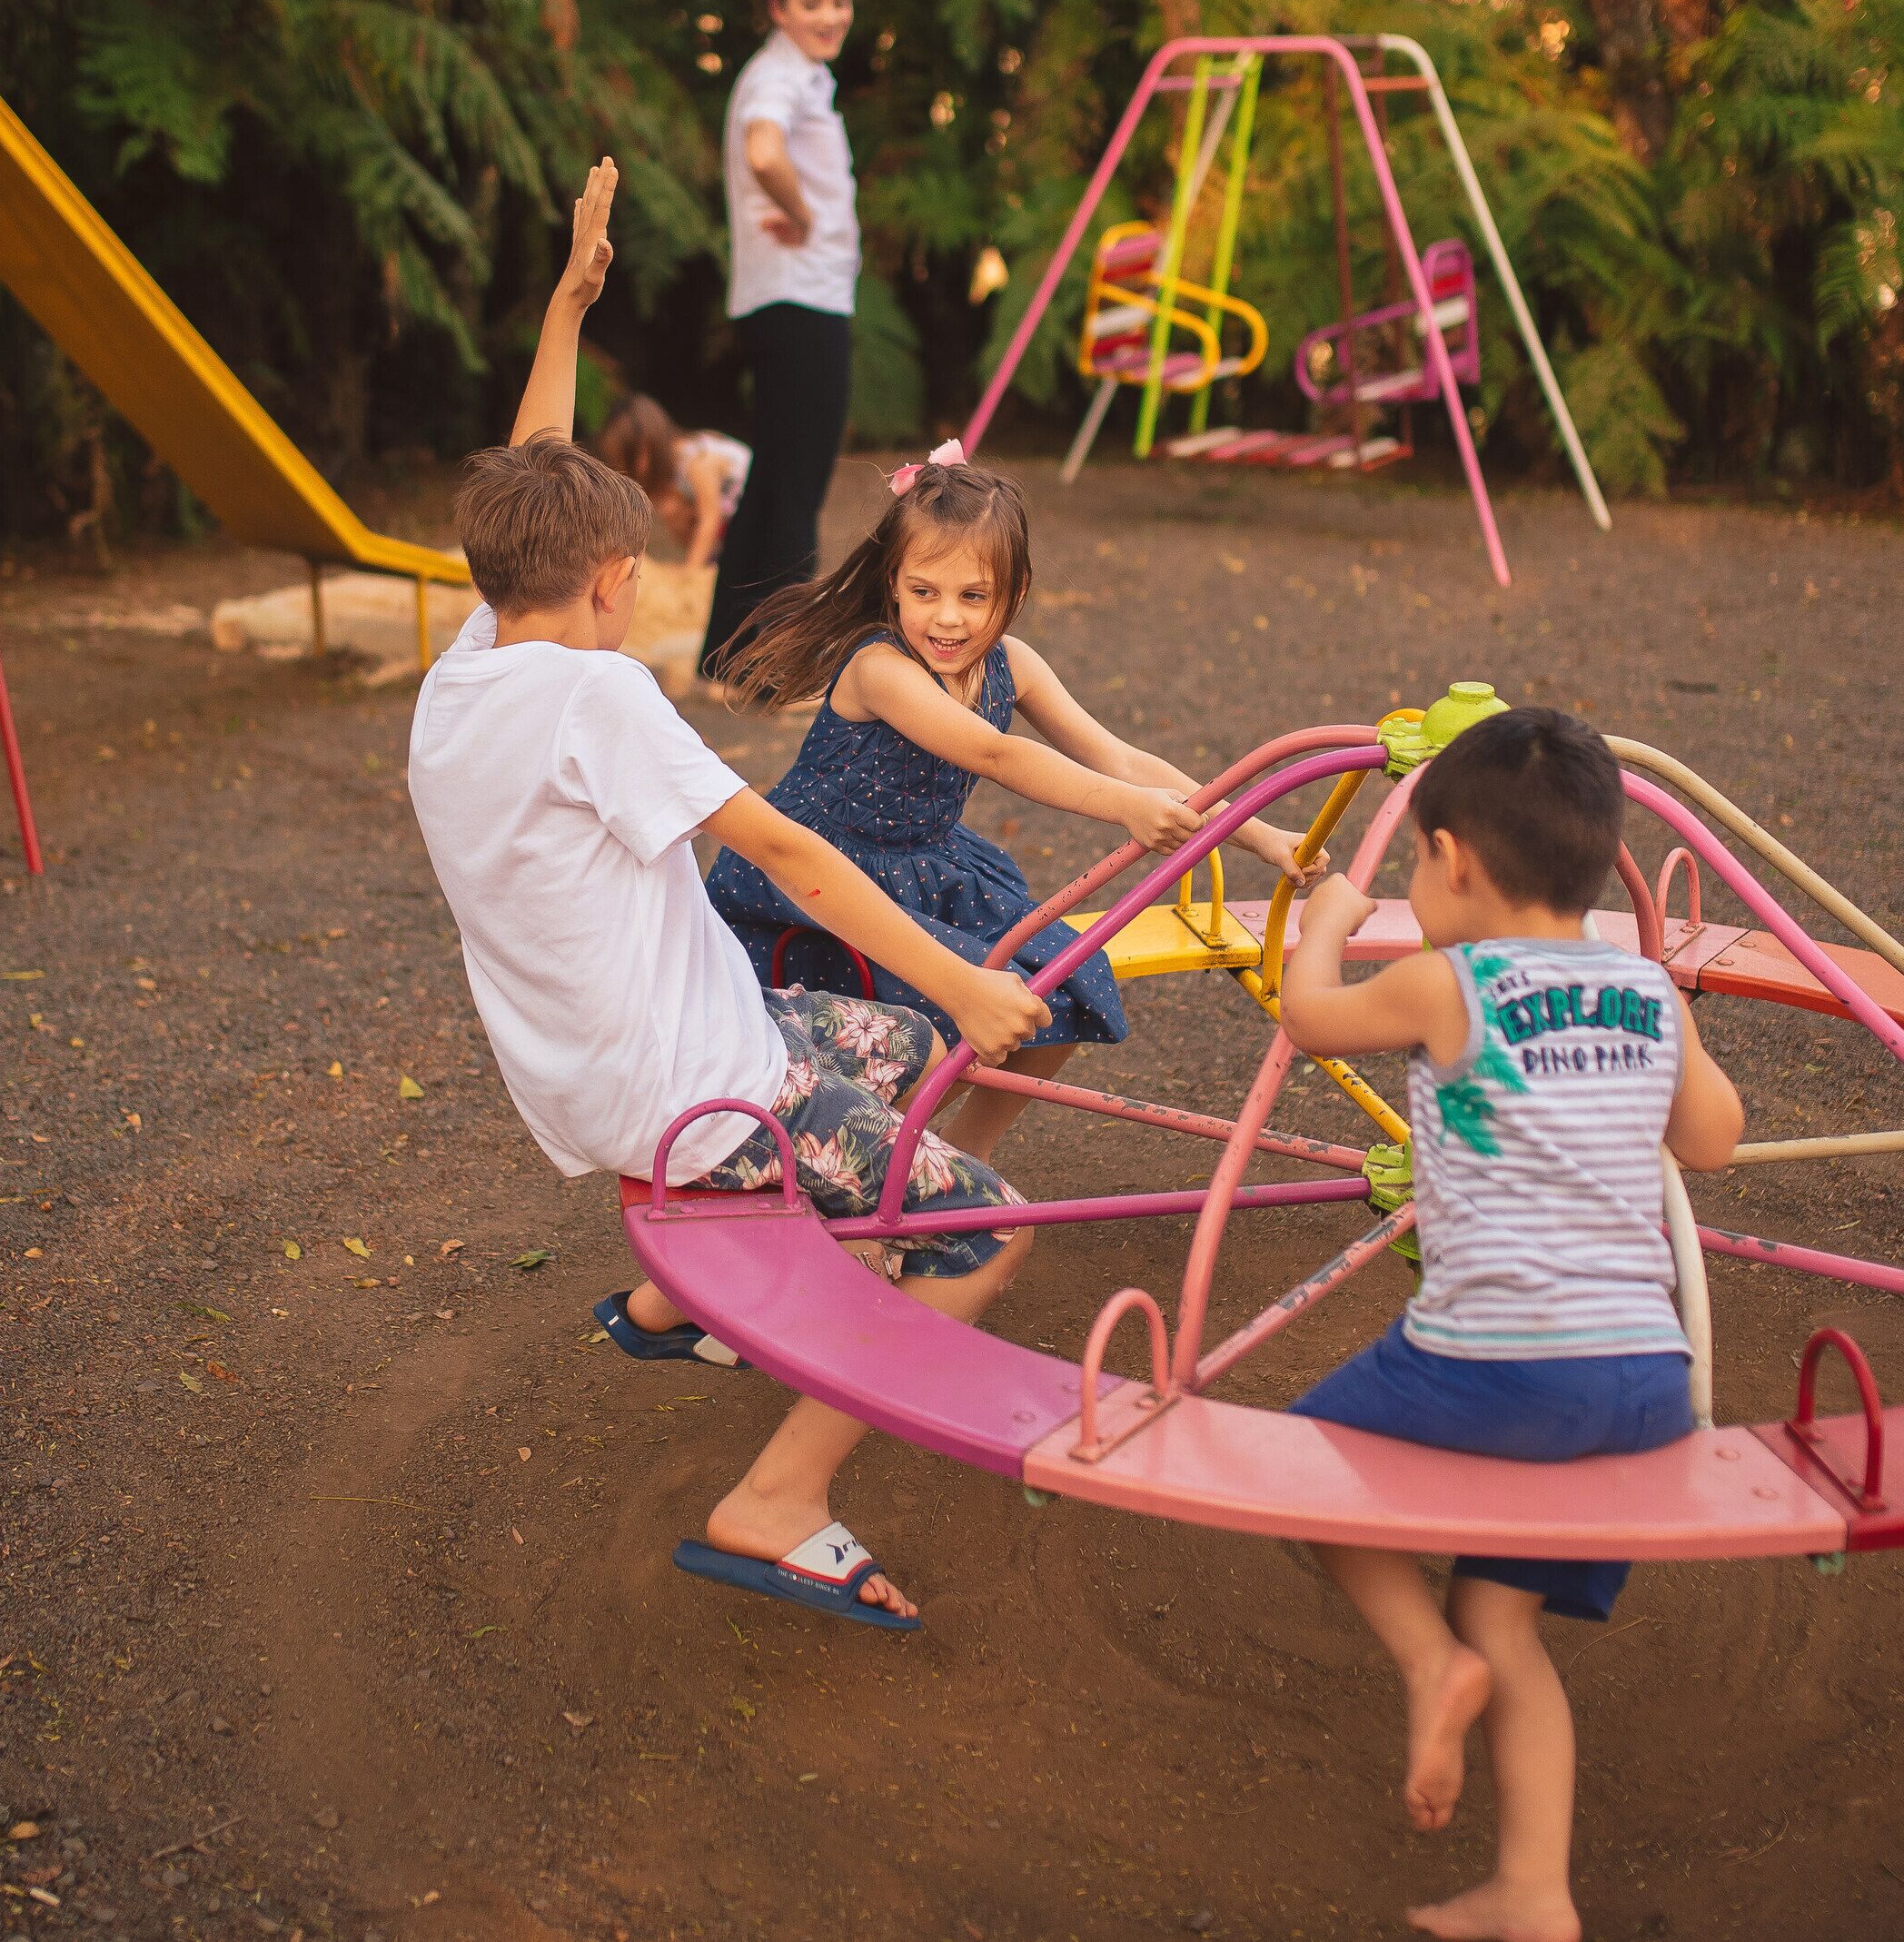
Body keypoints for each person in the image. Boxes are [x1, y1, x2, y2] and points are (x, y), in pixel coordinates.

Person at [407, 156, 1051, 1633]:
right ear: (617, 579)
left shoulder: (472, 669)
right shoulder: (597, 695)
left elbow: (532, 467)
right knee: (998, 1225)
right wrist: (960, 972)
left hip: (640, 1060)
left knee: (910, 1061)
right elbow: (798, 857)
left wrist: (571, 307)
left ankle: (733, 1284)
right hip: (706, 1083)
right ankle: (781, 1497)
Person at [1275, 707, 1744, 1942]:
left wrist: (1325, 926)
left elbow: (1308, 1020)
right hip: (1644, 1375)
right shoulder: (1645, 988)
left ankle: (1429, 1662)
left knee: (1295, 1472)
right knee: (1507, 1617)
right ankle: (1534, 1889)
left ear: (1454, 860)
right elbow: (1714, 1137)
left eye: (1421, 866)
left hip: (1496, 1358)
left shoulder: (1448, 978)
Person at [703, 450, 1320, 1163]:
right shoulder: (880, 669)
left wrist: (1257, 832)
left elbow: (1119, 757)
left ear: (1014, 591)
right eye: (924, 591)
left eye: (973, 596)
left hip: (927, 869)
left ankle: (959, 1161)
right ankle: (866, 1177)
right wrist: (1124, 808)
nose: (947, 618)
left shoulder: (1013, 665)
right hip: (823, 882)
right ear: (892, 585)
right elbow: (999, 756)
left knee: (1065, 988)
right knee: (919, 1035)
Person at [697, 0, 860, 682]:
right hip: (801, 298)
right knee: (798, 482)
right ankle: (788, 661)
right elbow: (764, 153)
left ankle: (727, 654)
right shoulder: (780, 78)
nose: (831, 15)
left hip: (787, 297)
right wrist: (798, 211)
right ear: (778, 9)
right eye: (812, 3)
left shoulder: (796, 74)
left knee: (773, 480)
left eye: (839, 0)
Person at [595, 391, 750, 569]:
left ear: (649, 444)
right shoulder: (670, 481)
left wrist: (689, 574)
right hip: (735, 528)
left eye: (631, 458)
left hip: (756, 517)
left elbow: (710, 519)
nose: (629, 471)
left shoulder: (695, 460)